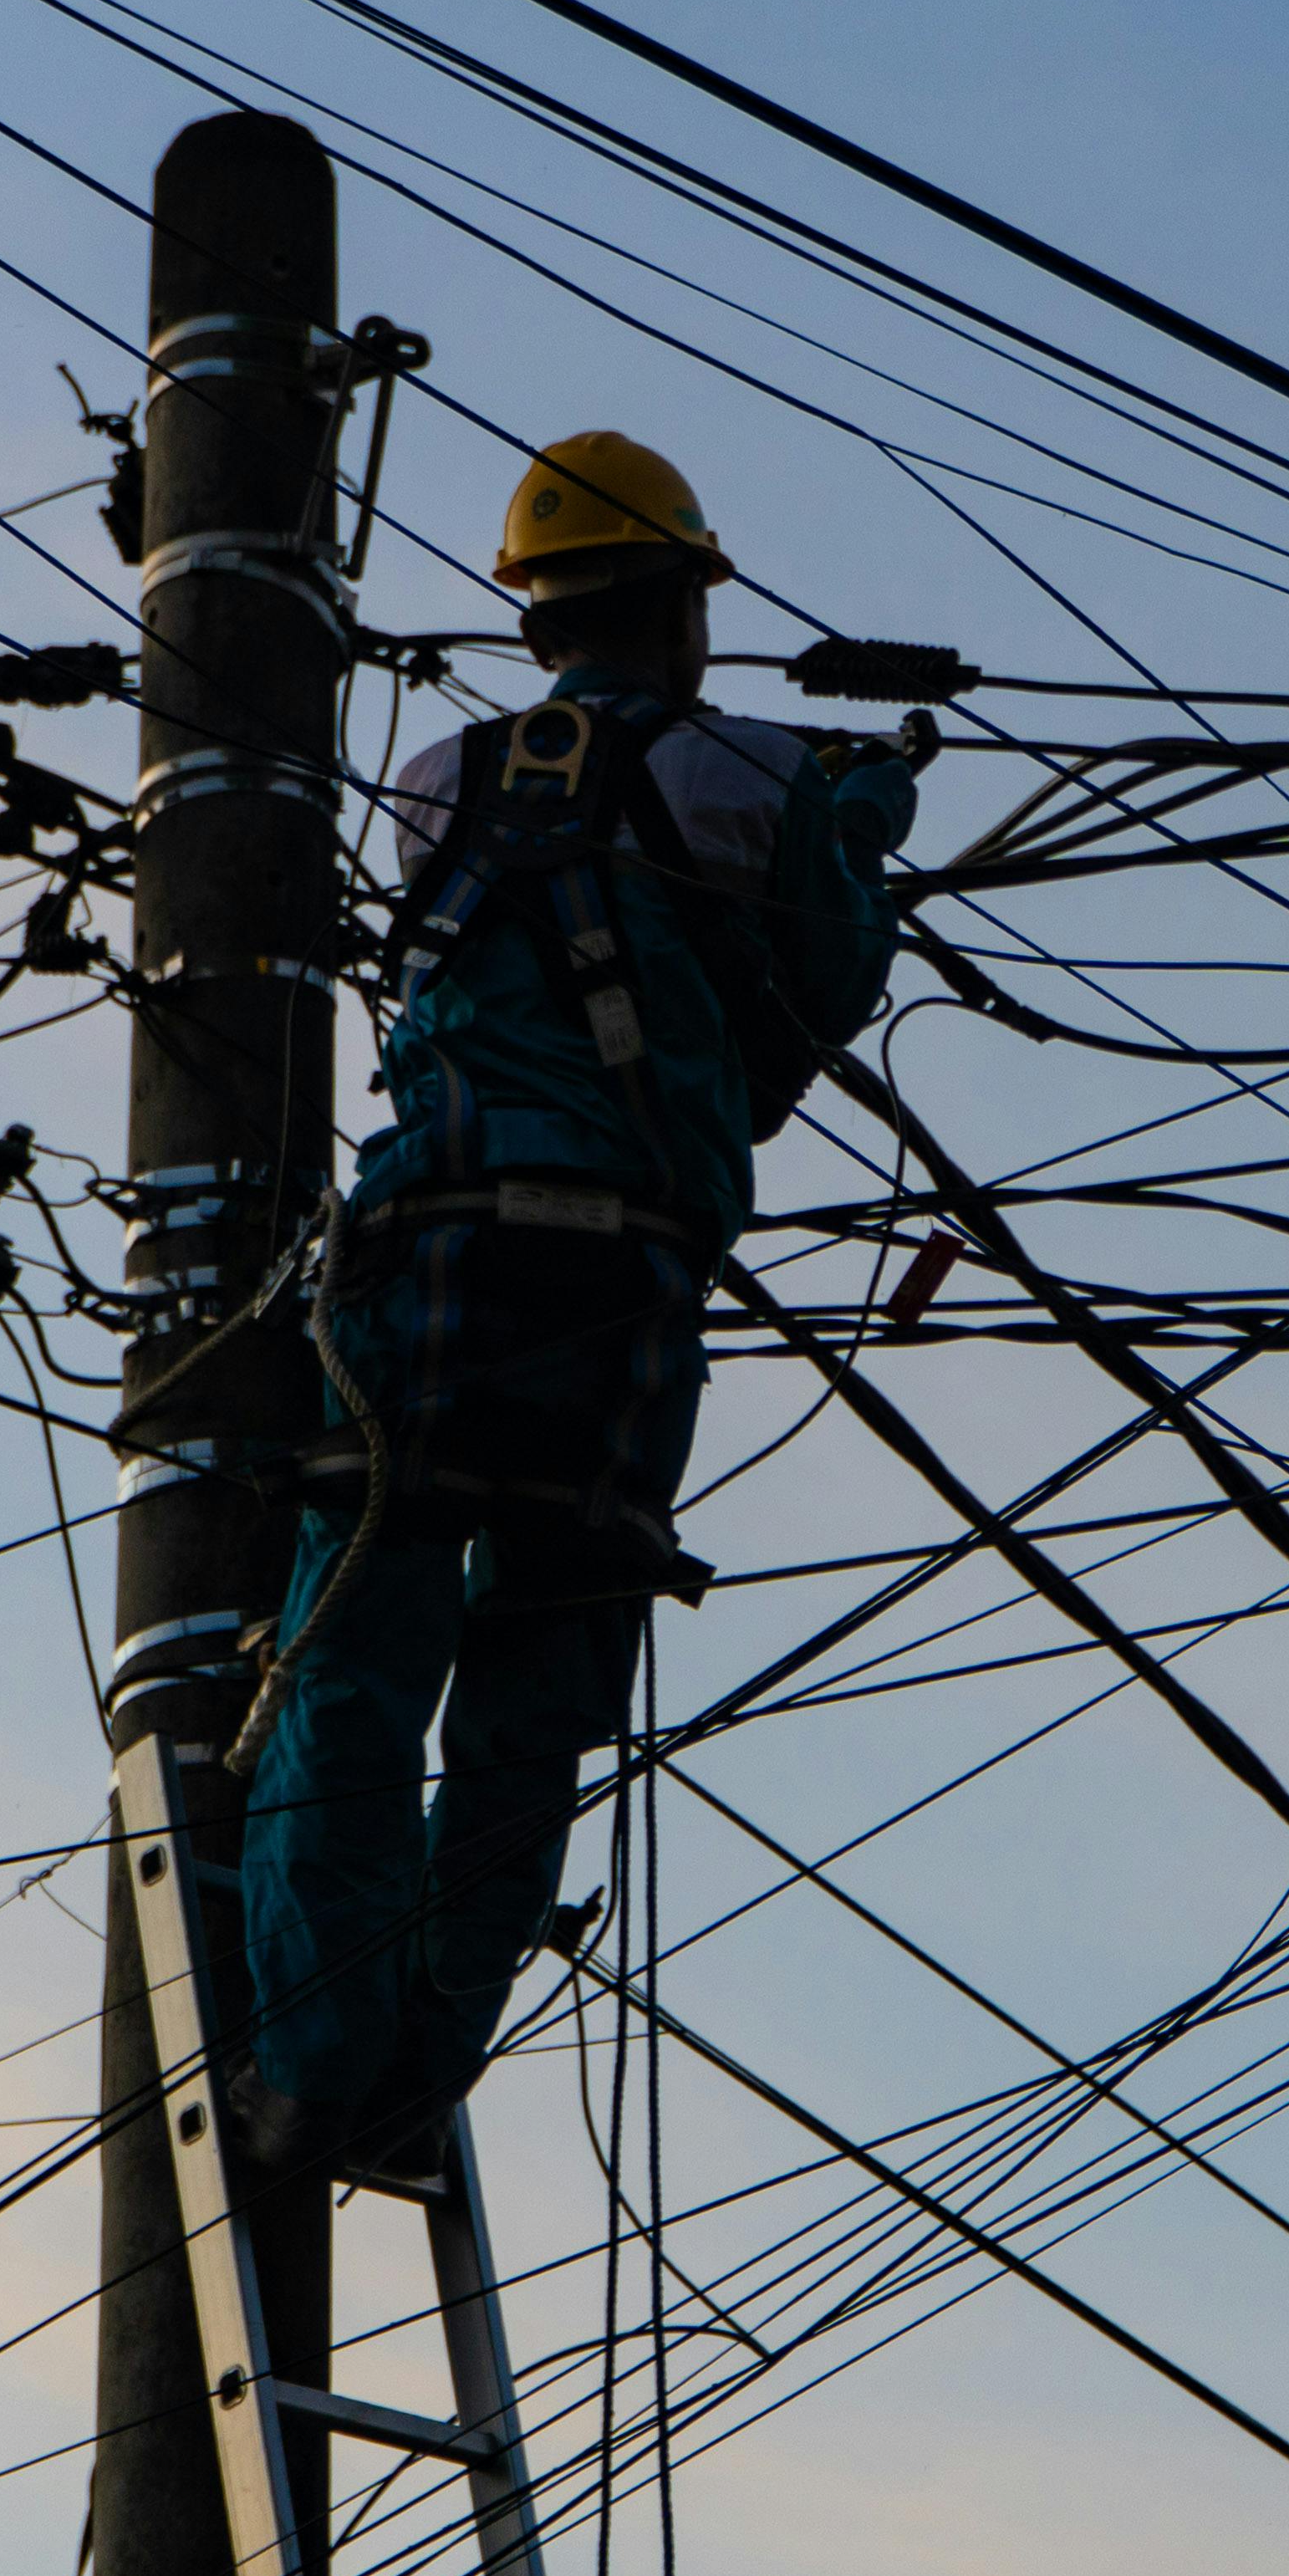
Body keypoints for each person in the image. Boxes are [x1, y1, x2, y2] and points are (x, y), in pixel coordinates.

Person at [226, 430, 920, 2178]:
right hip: (622, 1298)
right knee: (537, 1706)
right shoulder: (756, 777)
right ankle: (414, 2077)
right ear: (690, 594)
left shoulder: (437, 776)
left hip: (428, 1261)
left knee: (353, 1665)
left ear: (535, 613)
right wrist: (851, 832)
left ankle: (308, 2060)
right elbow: (806, 1013)